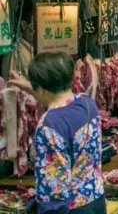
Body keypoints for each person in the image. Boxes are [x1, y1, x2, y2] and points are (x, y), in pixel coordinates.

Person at [9, 52, 105, 213]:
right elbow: (62, 107)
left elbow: (54, 188)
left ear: (40, 89)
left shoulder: (49, 125)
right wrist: (33, 88)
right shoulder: (86, 103)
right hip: (95, 201)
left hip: (70, 209)